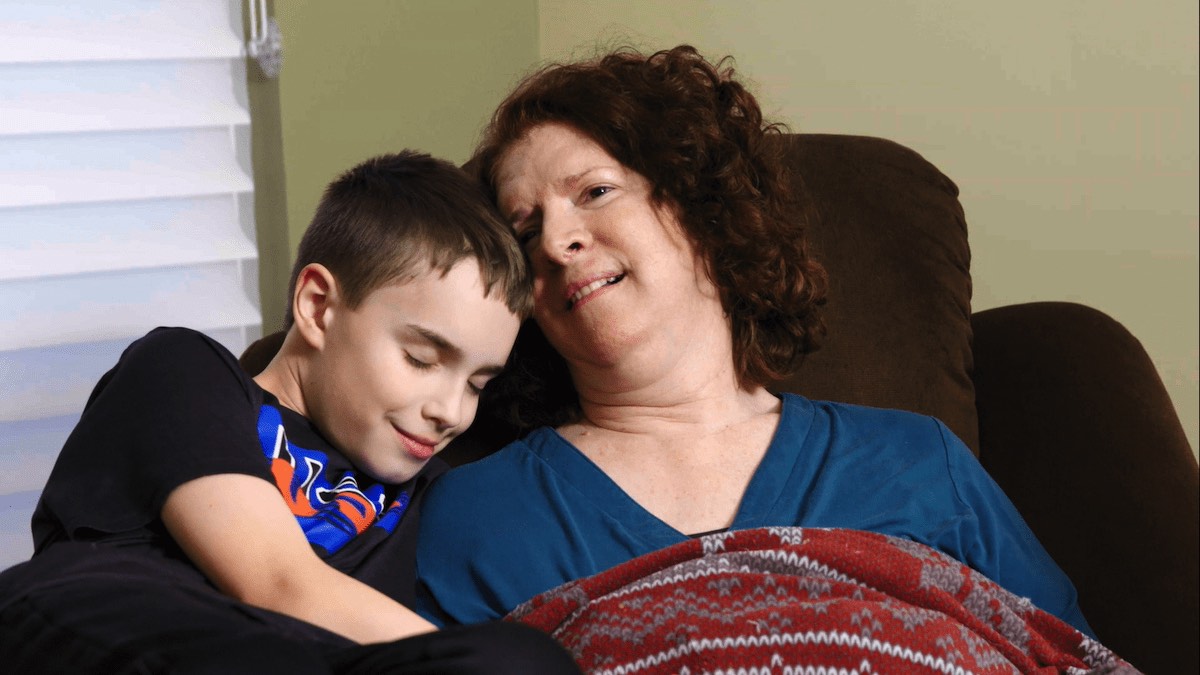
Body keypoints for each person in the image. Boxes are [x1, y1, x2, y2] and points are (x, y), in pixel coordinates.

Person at [413, 45, 1095, 638]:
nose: (557, 242)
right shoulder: (476, 515)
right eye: (526, 229)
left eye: (593, 191)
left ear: (698, 205)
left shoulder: (919, 461)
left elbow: (1072, 658)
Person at [0, 152, 580, 674]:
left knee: (522, 658)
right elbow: (277, 583)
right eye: (421, 358)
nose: (450, 411)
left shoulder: (432, 486)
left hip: (303, 655)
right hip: (118, 616)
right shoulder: (185, 371)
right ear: (318, 306)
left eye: (478, 384)